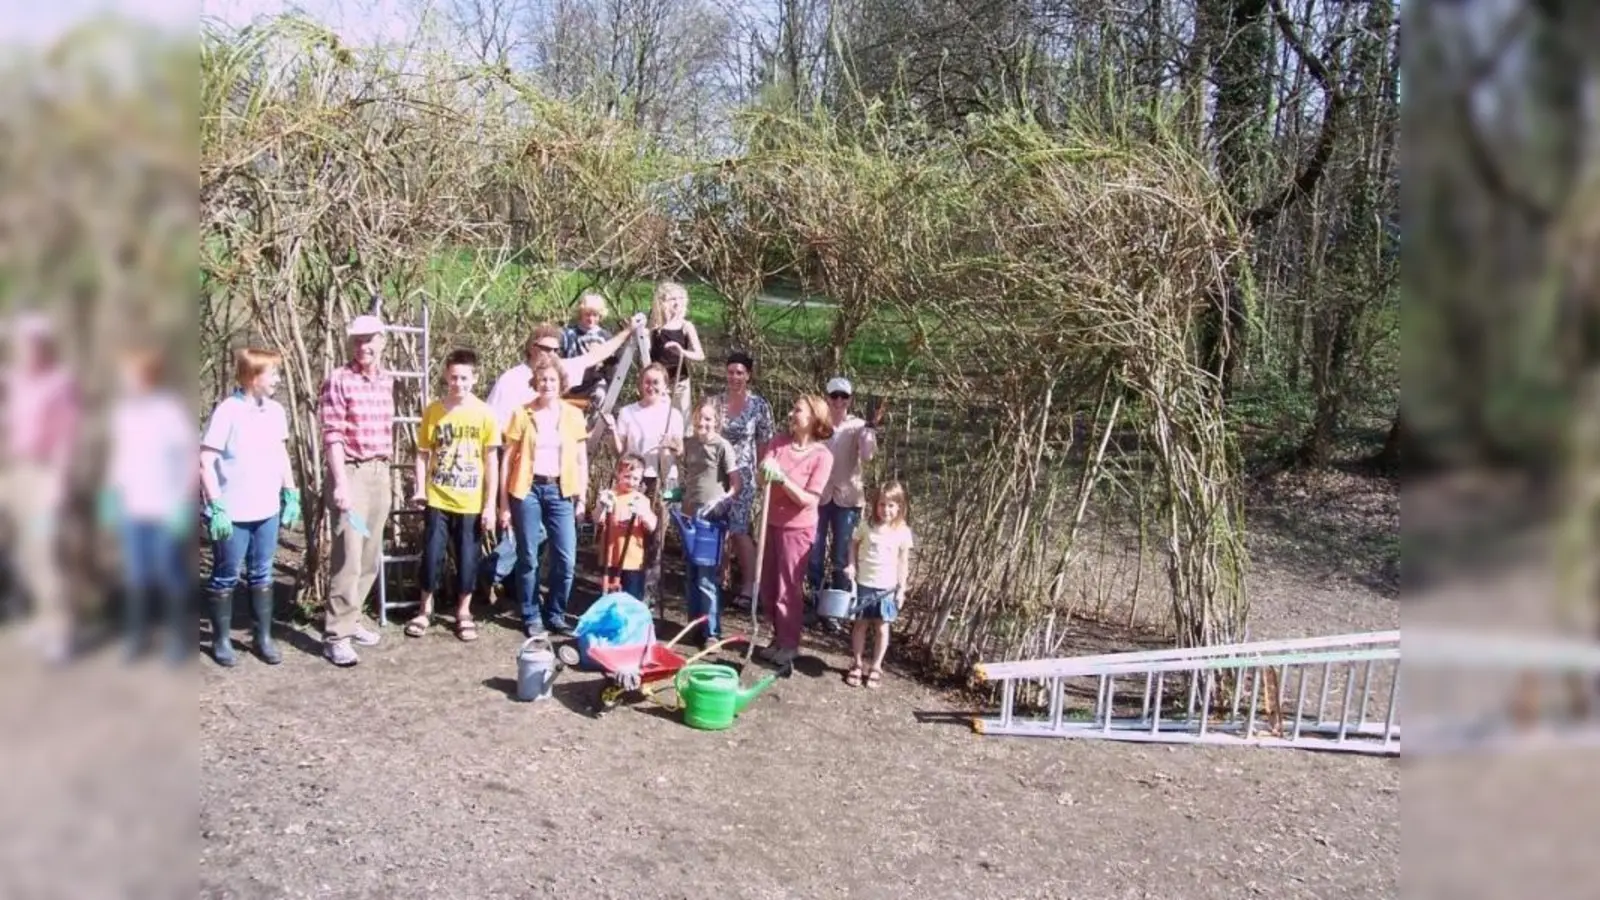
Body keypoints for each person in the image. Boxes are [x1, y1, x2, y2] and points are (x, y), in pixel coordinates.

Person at [199, 347, 301, 667]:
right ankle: (221, 640)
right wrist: (215, 505)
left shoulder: (275, 412)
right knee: (226, 576)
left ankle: (263, 637)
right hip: (233, 512)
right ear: (252, 377)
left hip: (266, 509)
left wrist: (290, 491)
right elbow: (205, 458)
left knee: (261, 574)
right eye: (273, 373)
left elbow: (281, 453)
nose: (278, 379)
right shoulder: (228, 411)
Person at [103, 344, 196, 664]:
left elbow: (187, 459)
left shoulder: (169, 411)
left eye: (130, 374)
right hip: (132, 508)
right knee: (136, 576)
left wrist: (184, 502)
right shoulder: (123, 413)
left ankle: (176, 639)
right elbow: (119, 457)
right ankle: (137, 638)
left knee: (170, 575)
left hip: (165, 509)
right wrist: (110, 495)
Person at [404, 348, 501, 642]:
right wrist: (421, 488)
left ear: (474, 378)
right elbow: (423, 454)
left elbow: (491, 460)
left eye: (464, 378)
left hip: (470, 499)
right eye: (453, 377)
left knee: (468, 558)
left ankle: (463, 611)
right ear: (446, 376)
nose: (458, 383)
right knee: (432, 554)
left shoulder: (485, 413)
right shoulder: (435, 410)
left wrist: (490, 505)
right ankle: (425, 609)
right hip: (438, 496)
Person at [0, 313, 80, 662]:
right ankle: (38, 619)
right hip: (13, 473)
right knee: (19, 552)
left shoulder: (59, 384)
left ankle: (58, 629)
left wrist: (57, 484)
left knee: (43, 551)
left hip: (44, 476)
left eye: (30, 343)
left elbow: (66, 438)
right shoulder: (14, 380)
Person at [318, 313, 394, 667]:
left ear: (382, 341)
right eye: (358, 340)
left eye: (370, 339)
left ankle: (354, 618)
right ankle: (337, 634)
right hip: (352, 472)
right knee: (348, 552)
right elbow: (332, 435)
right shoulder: (339, 379)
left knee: (369, 551)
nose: (364, 346)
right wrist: (341, 485)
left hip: (380, 471)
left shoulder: (385, 381)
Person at [499, 354, 590, 636]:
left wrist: (583, 498)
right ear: (535, 383)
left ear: (561, 383)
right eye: (542, 380)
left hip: (561, 491)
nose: (547, 384)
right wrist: (503, 504)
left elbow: (581, 460)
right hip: (527, 490)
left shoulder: (573, 415)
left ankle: (556, 613)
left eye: (552, 379)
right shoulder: (521, 414)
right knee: (528, 556)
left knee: (566, 559)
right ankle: (530, 615)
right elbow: (507, 460)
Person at [754, 395, 835, 666]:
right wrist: (764, 471)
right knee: (768, 585)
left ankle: (790, 643)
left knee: (788, 587)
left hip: (797, 529)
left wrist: (783, 479)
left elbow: (808, 499)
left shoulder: (822, 456)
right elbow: (760, 478)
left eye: (798, 410)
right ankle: (776, 637)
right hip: (770, 522)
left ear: (814, 418)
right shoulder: (779, 442)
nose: (792, 413)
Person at [806, 376, 885, 619]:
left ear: (850, 399)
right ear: (827, 397)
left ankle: (836, 608)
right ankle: (814, 600)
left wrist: (870, 429)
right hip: (818, 496)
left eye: (844, 396)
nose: (838, 401)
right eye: (834, 396)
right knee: (814, 551)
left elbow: (868, 455)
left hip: (847, 499)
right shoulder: (818, 424)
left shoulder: (858, 426)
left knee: (841, 554)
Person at [488, 319, 643, 433]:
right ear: (532, 348)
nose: (553, 354)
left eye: (556, 350)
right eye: (547, 349)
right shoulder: (511, 380)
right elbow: (493, 425)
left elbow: (595, 356)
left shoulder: (558, 370)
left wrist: (628, 330)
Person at [712, 351, 774, 609]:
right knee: (715, 528)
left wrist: (762, 473)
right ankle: (715, 579)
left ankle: (750, 584)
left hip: (744, 474)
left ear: (748, 375)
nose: (735, 377)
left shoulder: (759, 406)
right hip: (716, 474)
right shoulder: (715, 403)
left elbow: (765, 442)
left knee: (738, 529)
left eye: (740, 372)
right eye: (731, 372)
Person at [678, 398, 741, 646]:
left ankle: (712, 632)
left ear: (716, 422)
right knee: (691, 575)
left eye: (708, 419)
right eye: (699, 417)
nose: (702, 423)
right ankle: (695, 623)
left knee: (706, 577)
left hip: (710, 519)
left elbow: (736, 483)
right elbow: (689, 477)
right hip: (689, 516)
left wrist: (724, 501)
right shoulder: (689, 444)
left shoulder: (722, 446)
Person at [843, 482, 915, 688]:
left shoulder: (903, 532)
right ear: (876, 505)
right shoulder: (866, 527)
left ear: (900, 507)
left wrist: (901, 589)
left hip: (887, 588)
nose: (886, 510)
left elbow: (903, 561)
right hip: (865, 584)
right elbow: (852, 544)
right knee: (860, 625)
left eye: (891, 505)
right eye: (882, 505)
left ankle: (876, 667)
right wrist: (851, 565)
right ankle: (857, 664)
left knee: (883, 627)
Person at [605, 363, 685, 498]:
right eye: (647, 382)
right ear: (641, 385)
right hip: (635, 478)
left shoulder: (674, 414)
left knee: (668, 517)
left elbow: (681, 451)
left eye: (656, 382)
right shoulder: (627, 412)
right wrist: (613, 431)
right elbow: (619, 452)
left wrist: (671, 444)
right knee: (633, 517)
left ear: (665, 386)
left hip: (667, 479)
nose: (651, 387)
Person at [595, 453, 656, 603]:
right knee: (608, 600)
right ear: (618, 474)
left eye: (636, 479)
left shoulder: (642, 500)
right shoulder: (610, 495)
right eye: (627, 476)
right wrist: (601, 505)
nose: (631, 482)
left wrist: (643, 513)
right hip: (610, 559)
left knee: (630, 601)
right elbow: (597, 519)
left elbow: (652, 526)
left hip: (633, 561)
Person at [647, 281, 704, 424]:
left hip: (680, 383)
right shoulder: (655, 328)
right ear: (662, 302)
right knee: (657, 421)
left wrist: (682, 352)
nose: (677, 302)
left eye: (680, 298)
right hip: (658, 383)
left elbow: (700, 355)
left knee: (681, 423)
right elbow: (646, 354)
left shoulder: (686, 326)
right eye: (672, 299)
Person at [560, 291, 615, 410]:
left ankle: (592, 422)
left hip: (593, 382)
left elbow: (612, 364)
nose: (591, 319)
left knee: (600, 393)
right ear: (581, 314)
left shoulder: (605, 336)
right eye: (587, 314)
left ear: (600, 316)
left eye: (595, 315)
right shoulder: (569, 334)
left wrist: (602, 360)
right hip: (572, 383)